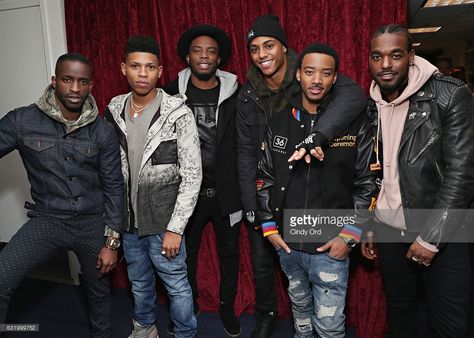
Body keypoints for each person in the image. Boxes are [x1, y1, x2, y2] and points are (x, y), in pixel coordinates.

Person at [236, 14, 367, 338]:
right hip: (289, 246)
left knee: (329, 328)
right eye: (309, 72)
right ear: (298, 74)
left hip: (330, 246)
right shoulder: (280, 120)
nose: (317, 80)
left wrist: (348, 237)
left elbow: (367, 183)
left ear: (336, 78)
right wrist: (269, 229)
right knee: (302, 321)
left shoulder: (349, 123)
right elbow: (263, 175)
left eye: (325, 73)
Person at [361, 24, 474, 338]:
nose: (386, 64)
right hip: (388, 228)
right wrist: (371, 222)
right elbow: (375, 173)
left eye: (395, 55)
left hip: (442, 229)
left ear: (410, 57)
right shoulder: (371, 104)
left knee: (450, 321)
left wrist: (431, 237)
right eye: (377, 56)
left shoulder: (449, 93)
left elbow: (462, 174)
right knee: (401, 309)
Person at [0, 53, 124, 338]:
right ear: (55, 81)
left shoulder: (103, 132)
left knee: (99, 295)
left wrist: (112, 242)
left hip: (92, 222)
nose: (75, 88)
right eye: (67, 80)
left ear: (91, 85)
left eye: (83, 82)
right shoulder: (22, 121)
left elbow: (114, 187)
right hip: (47, 220)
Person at [104, 36, 201, 338]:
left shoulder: (177, 112)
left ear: (160, 71)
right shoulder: (114, 109)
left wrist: (176, 228)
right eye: (135, 66)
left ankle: (186, 333)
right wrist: (113, 231)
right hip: (129, 223)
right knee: (140, 283)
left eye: (149, 67)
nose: (142, 73)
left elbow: (193, 174)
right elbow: (109, 173)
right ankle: (144, 329)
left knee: (176, 285)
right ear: (124, 69)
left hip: (163, 223)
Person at [163, 25, 242, 337]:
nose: (204, 56)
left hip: (227, 191)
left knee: (230, 253)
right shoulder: (169, 94)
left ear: (219, 58)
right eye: (198, 50)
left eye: (211, 51)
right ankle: (189, 303)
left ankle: (226, 306)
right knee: (186, 254)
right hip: (187, 192)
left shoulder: (238, 93)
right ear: (187, 56)